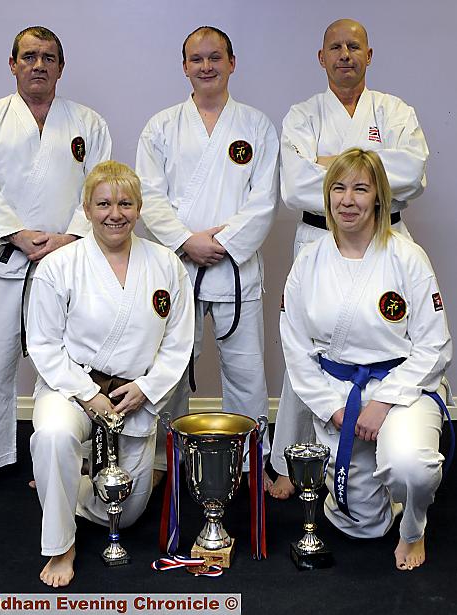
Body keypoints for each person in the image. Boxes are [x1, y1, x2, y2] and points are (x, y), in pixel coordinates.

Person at [270, 18, 429, 499]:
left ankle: (386, 432)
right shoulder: (302, 114)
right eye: (335, 47)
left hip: (385, 234)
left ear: (368, 55)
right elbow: (294, 184)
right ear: (321, 58)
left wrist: (329, 165)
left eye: (353, 47)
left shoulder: (396, 111)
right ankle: (289, 460)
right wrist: (370, 168)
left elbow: (414, 173)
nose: (345, 55)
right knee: (306, 349)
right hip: (318, 239)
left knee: (386, 339)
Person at [280, 147, 452, 570]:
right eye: (338, 188)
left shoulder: (407, 257)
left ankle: (413, 527)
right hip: (339, 392)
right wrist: (332, 407)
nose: (348, 199)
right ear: (327, 196)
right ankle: (383, 493)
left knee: (412, 467)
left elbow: (435, 345)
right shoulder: (308, 261)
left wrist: (384, 402)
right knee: (361, 525)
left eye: (360, 188)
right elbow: (296, 346)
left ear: (379, 196)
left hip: (402, 389)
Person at [0, 26, 112, 498]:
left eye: (48, 57)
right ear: (12, 64)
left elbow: (101, 186)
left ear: (61, 68)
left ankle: (60, 455)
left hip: (68, 259)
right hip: (9, 253)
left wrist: (69, 237)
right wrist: (19, 235)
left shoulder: (88, 122)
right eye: (29, 56)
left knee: (69, 362)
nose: (39, 65)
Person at [27, 160, 194, 587]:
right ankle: (61, 545)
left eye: (125, 203)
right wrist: (88, 393)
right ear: (86, 208)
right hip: (71, 387)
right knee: (53, 436)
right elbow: (44, 344)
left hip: (132, 396)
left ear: (139, 209)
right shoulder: (58, 266)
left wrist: (145, 388)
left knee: (123, 513)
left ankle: (61, 482)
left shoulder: (165, 265)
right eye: (103, 203)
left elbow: (178, 344)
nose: (114, 213)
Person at [136, 26, 279, 485]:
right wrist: (186, 241)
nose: (206, 66)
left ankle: (250, 464)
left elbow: (264, 199)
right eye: (196, 59)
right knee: (170, 370)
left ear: (232, 62)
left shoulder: (256, 125)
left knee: (247, 372)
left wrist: (224, 244)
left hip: (236, 269)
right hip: (177, 268)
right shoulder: (161, 126)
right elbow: (149, 197)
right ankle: (162, 461)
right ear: (184, 67)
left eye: (215, 57)